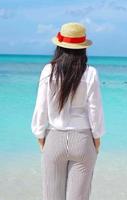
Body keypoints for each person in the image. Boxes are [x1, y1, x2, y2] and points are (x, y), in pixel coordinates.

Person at [31, 22, 106, 200]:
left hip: (54, 138)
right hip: (82, 138)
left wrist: (40, 134)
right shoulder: (91, 73)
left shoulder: (48, 70)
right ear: (83, 49)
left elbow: (41, 106)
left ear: (59, 46)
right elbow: (95, 108)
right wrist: (97, 137)